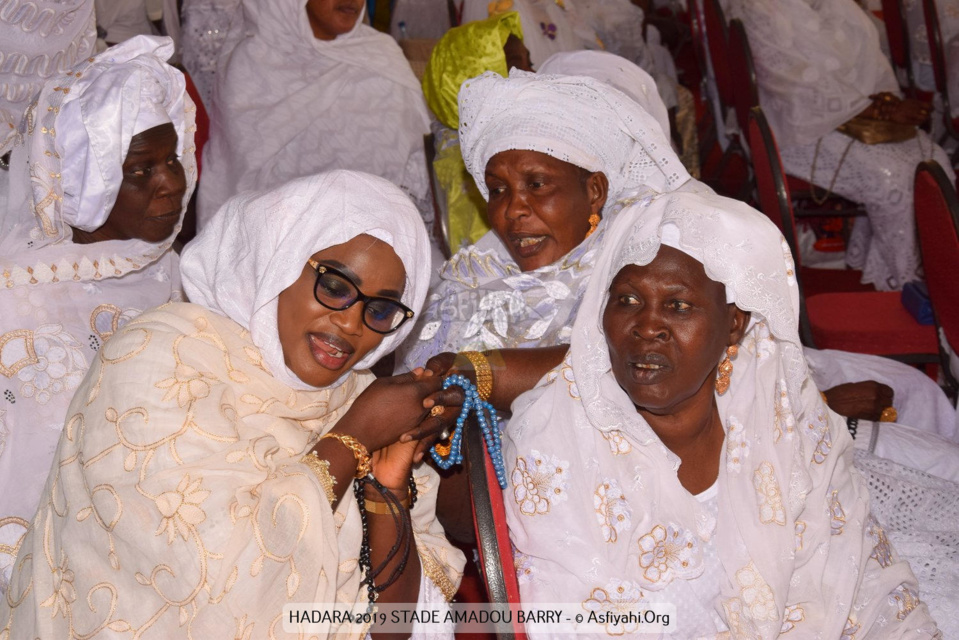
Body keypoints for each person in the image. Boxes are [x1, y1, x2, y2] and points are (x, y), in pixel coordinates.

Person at [0, 170, 465, 637]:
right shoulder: (156, 361)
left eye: (380, 310)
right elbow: (213, 590)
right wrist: (353, 439)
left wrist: (387, 483)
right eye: (336, 287)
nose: (351, 323)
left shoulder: (363, 400)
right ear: (276, 260)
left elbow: (399, 627)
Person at [502, 189, 946, 637]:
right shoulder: (556, 442)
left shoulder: (778, 419)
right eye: (628, 300)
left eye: (678, 306)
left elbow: (862, 578)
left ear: (734, 324)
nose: (647, 327)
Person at [0, 36, 196, 593]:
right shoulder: (16, 298)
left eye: (172, 159)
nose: (172, 182)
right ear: (87, 180)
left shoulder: (174, 275)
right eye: (140, 170)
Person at [398, 69, 690, 372]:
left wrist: (482, 375)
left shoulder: (637, 288)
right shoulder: (468, 287)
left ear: (595, 191)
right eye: (497, 190)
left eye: (537, 184)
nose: (513, 210)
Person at [723, 0, 955, 291]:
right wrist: (877, 111)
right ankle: (903, 284)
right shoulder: (756, 6)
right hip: (797, 126)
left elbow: (870, 58)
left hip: (852, 116)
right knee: (891, 177)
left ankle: (907, 276)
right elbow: (791, 84)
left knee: (934, 162)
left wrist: (884, 103)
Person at [197, 0, 434, 233]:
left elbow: (420, 167)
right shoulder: (253, 66)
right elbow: (237, 179)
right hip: (278, 241)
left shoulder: (381, 55)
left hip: (384, 234)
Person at [421, 12, 532, 251]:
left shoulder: (524, 138)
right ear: (474, 76)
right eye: (513, 64)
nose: (530, 73)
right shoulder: (473, 161)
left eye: (529, 62)